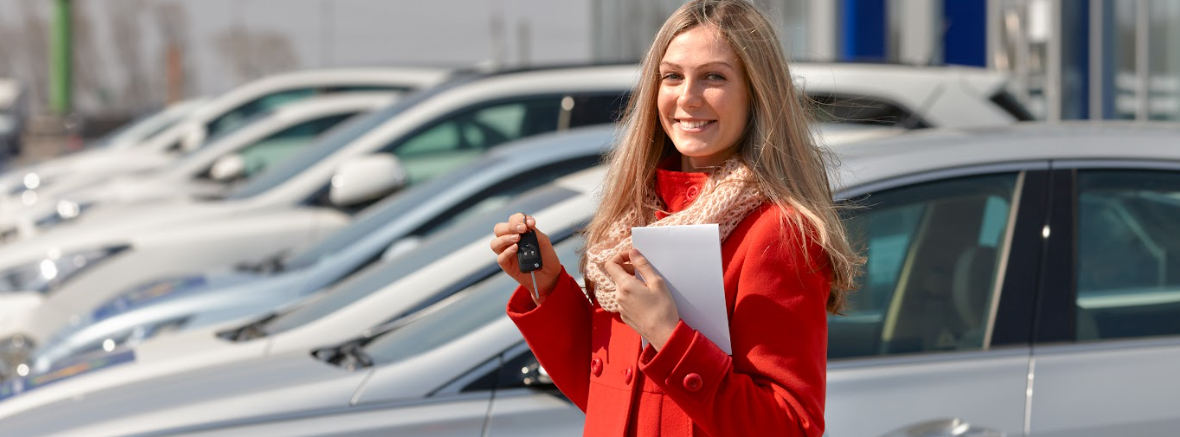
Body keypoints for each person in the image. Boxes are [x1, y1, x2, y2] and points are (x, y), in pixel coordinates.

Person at [489, 0, 861, 435]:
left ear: (757, 93)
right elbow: (610, 401)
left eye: (714, 77)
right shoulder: (632, 216)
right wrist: (548, 287)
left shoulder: (776, 231)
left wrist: (669, 335)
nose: (687, 97)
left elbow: (790, 427)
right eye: (672, 76)